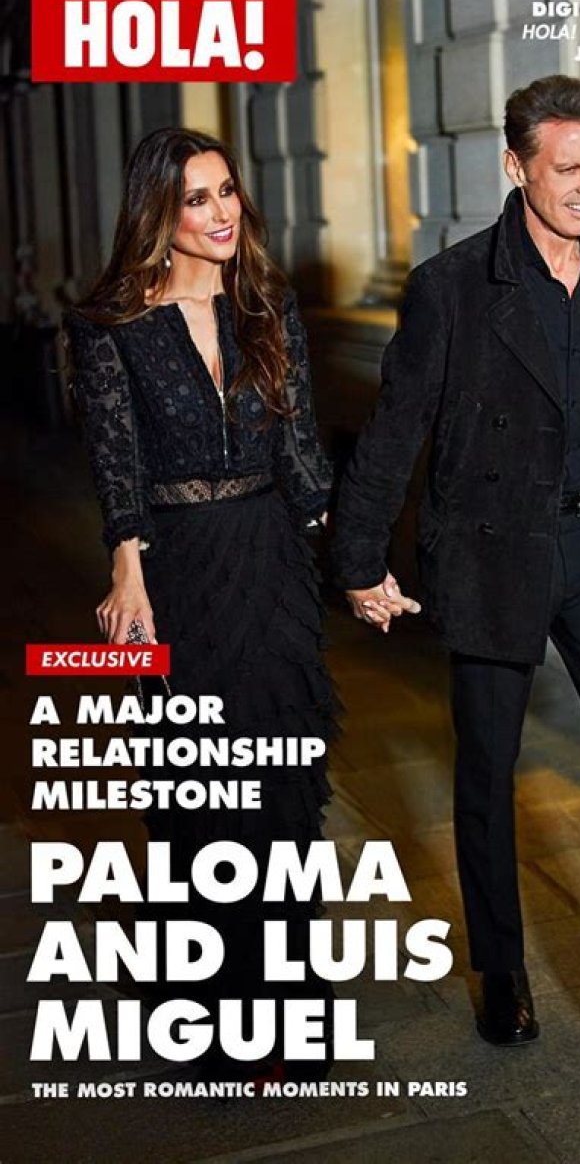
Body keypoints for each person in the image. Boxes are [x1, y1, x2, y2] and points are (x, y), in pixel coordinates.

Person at [332, 75, 580, 1099]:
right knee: (487, 768)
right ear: (516, 166)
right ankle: (501, 970)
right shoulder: (455, 286)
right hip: (496, 550)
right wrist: (359, 559)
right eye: (567, 168)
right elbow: (397, 429)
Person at [65, 127, 337, 1083]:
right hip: (179, 572)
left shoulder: (268, 306)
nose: (222, 213)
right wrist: (126, 573)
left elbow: (302, 454)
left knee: (282, 791)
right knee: (202, 802)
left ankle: (286, 1009)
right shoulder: (110, 327)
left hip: (270, 565)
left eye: (227, 192)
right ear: (159, 212)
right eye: (197, 198)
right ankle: (213, 1012)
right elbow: (117, 466)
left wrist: (357, 563)